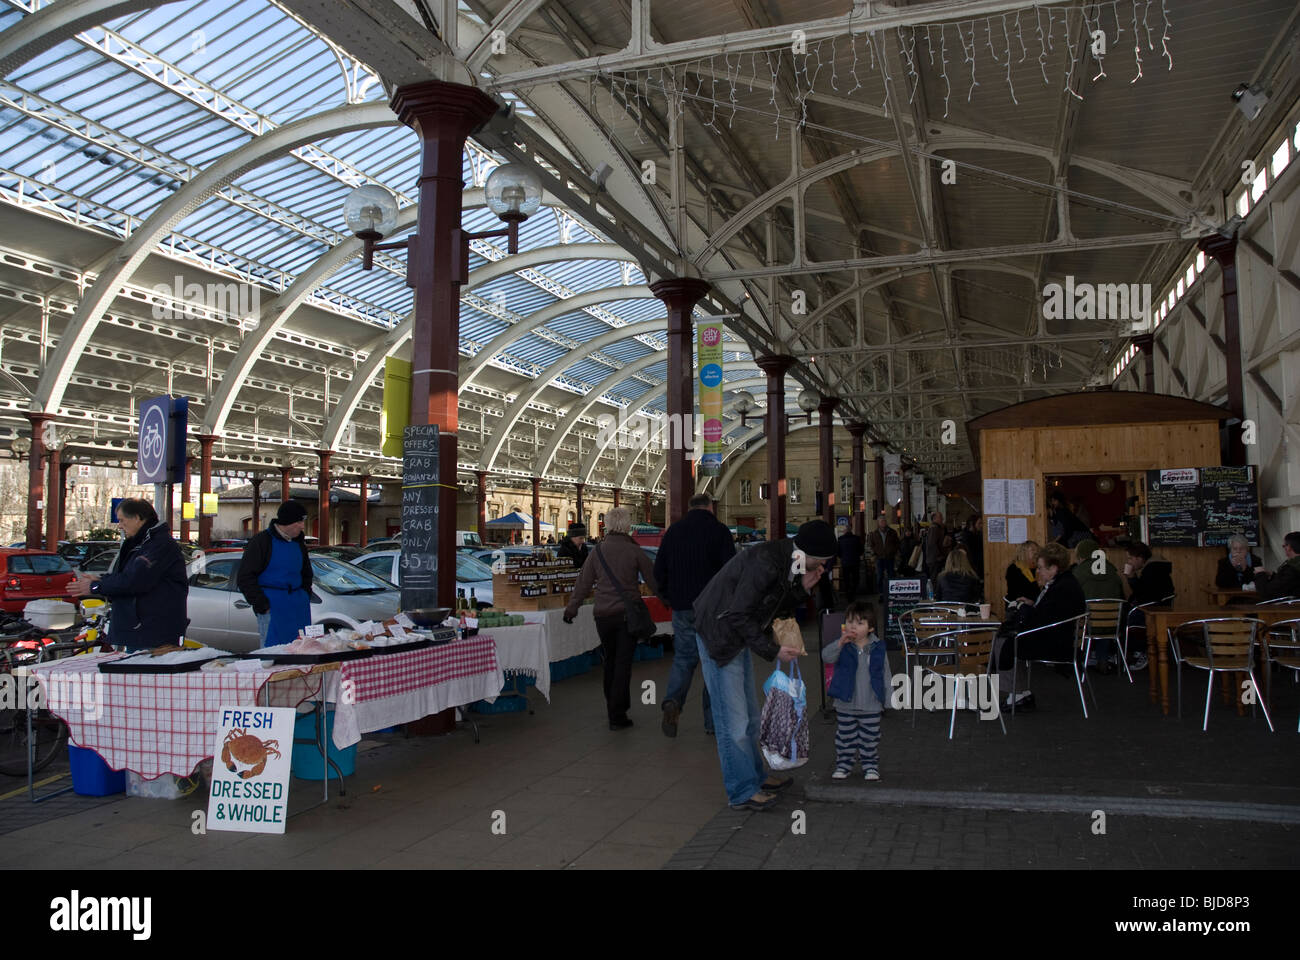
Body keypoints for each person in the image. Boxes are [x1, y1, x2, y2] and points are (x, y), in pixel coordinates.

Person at [693, 519, 835, 811]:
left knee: (750, 717)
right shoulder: (768, 561)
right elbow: (738, 614)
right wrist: (773, 651)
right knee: (733, 723)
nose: (822, 566)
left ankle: (755, 777)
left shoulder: (790, 559)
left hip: (735, 636)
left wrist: (803, 589)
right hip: (719, 637)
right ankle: (742, 791)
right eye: (820, 561)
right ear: (807, 553)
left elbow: (774, 603)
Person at [563, 507, 657, 731]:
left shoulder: (598, 551)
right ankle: (617, 714)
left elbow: (583, 583)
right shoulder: (634, 551)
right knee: (623, 664)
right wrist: (669, 599)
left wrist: (571, 609)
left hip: (602, 616)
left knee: (610, 662)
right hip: (626, 616)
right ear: (626, 525)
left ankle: (612, 707)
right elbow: (654, 580)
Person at [654, 494, 735, 738]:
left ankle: (673, 702)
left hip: (683, 607)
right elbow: (731, 570)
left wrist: (670, 597)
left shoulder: (673, 532)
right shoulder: (720, 531)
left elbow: (659, 570)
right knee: (713, 661)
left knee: (684, 658)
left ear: (690, 508)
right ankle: (712, 722)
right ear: (710, 507)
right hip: (713, 609)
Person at [67, 498, 187, 650]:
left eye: (122, 520)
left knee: (143, 672)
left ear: (137, 518)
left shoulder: (158, 545)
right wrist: (102, 580)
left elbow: (135, 580)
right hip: (141, 629)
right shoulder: (141, 543)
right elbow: (129, 576)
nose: (120, 526)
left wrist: (97, 586)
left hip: (152, 631)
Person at [993, 542, 1087, 711]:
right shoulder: (1067, 583)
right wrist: (1032, 604)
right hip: (1062, 638)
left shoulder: (1061, 588)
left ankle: (1016, 695)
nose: (1038, 571)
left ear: (1053, 568)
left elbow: (1043, 619)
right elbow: (1049, 613)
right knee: (1010, 638)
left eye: (1042, 568)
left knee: (1005, 641)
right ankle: (1019, 693)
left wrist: (1025, 608)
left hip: (1055, 643)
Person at [820, 600, 887, 781]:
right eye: (849, 622)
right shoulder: (842, 646)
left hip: (871, 704)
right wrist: (840, 643)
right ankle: (844, 765)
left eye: (859, 623)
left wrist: (888, 699)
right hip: (845, 703)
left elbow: (884, 674)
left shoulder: (878, 648)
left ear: (870, 628)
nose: (853, 626)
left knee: (870, 738)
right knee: (845, 737)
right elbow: (826, 656)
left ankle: (871, 766)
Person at [236, 501, 313, 647]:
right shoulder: (262, 542)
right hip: (273, 609)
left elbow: (306, 574)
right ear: (288, 522)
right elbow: (245, 577)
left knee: (301, 650)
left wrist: (305, 595)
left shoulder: (299, 544)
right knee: (272, 654)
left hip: (299, 608)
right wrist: (263, 605)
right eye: (299, 522)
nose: (302, 526)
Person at [1070, 538, 1127, 674]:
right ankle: (1103, 660)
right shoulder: (1113, 573)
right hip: (1113, 626)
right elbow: (1122, 598)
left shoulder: (1078, 573)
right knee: (1105, 618)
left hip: (1085, 627)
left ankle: (1078, 659)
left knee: (1078, 616)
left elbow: (1071, 600)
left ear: (1081, 555)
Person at [1122, 541, 1174, 671]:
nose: (1128, 561)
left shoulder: (1151, 570)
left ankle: (1140, 651)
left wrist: (1132, 577)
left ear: (1139, 558)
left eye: (1130, 558)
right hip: (1159, 605)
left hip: (1154, 609)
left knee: (1126, 615)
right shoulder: (1154, 567)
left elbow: (1142, 594)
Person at [1255, 532, 1300, 600]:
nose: (1284, 548)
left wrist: (1260, 574)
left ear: (1288, 548)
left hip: (1289, 606)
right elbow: (1286, 584)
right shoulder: (1294, 567)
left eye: (1284, 546)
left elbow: (1266, 592)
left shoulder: (1293, 569)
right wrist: (1273, 575)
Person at [868, 515, 900, 596]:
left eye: (884, 521)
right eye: (881, 521)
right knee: (879, 576)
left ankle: (891, 592)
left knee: (891, 575)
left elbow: (897, 543)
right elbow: (871, 545)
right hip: (879, 557)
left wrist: (894, 552)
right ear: (878, 523)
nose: (883, 523)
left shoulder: (892, 532)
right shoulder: (874, 534)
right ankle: (881, 593)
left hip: (890, 557)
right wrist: (874, 553)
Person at [837, 525, 864, 602]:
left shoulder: (840, 539)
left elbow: (838, 552)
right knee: (856, 578)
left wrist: (842, 557)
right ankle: (853, 592)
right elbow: (861, 550)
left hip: (845, 563)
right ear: (851, 530)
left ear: (844, 531)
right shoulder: (857, 538)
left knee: (846, 579)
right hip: (855, 562)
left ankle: (848, 594)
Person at [923, 512, 947, 585]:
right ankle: (934, 593)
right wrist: (938, 555)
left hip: (933, 558)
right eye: (940, 517)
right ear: (935, 518)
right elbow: (932, 543)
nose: (942, 519)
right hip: (934, 559)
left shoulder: (936, 528)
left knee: (935, 577)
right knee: (935, 577)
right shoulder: (934, 528)